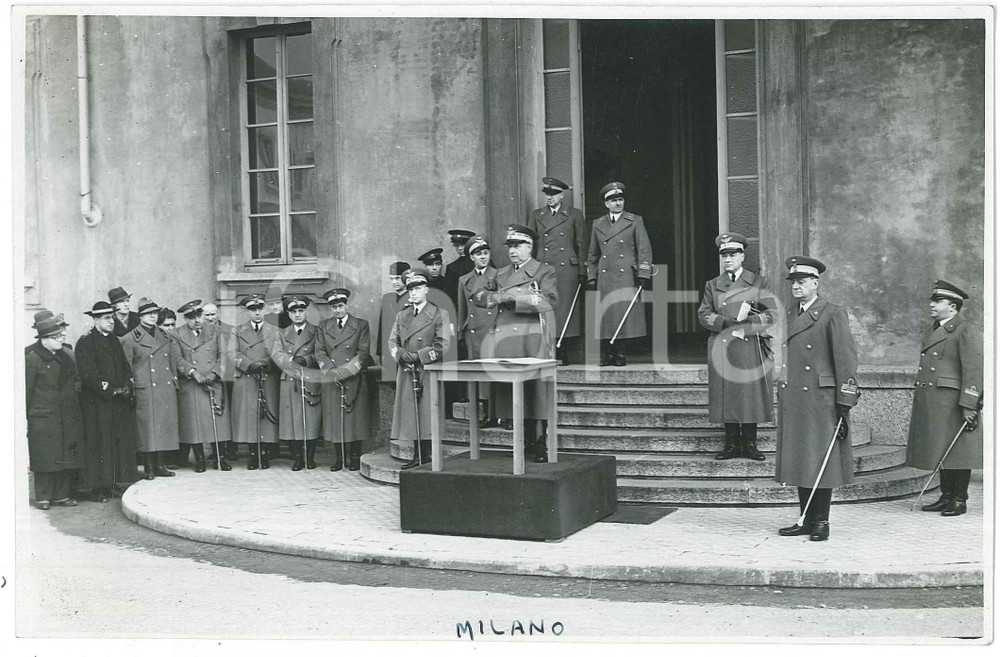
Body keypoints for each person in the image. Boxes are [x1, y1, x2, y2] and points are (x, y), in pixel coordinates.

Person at [774, 256, 859, 542]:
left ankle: (821, 521)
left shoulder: (832, 313)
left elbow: (845, 360)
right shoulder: (789, 313)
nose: (796, 287)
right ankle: (806, 519)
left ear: (815, 283)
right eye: (793, 282)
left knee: (821, 459)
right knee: (801, 459)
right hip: (796, 397)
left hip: (822, 400)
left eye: (801, 282)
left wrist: (844, 402)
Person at [472, 224, 558, 463]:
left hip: (532, 338)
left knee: (537, 392)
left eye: (518, 246)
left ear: (530, 247)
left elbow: (549, 300)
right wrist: (497, 297)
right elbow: (477, 295)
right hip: (506, 339)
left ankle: (541, 443)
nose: (513, 251)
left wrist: (513, 298)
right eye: (510, 246)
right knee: (513, 393)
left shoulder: (543, 271)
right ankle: (523, 441)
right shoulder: (500, 274)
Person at [697, 233, 777, 461]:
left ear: (742, 255)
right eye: (724, 255)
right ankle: (731, 443)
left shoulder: (758, 282)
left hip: (749, 343)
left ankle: (750, 443)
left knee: (748, 392)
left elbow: (772, 313)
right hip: (722, 342)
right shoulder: (713, 284)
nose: (728, 259)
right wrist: (724, 322)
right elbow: (703, 314)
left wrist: (751, 322)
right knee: (727, 393)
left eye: (732, 254)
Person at [905, 280, 983, 517]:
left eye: (938, 301)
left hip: (953, 402)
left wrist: (969, 405)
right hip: (935, 401)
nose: (932, 305)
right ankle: (946, 496)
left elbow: (974, 370)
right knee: (943, 450)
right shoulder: (934, 328)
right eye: (933, 300)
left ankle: (959, 499)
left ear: (953, 307)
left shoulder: (964, 330)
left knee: (958, 451)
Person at [75, 300, 140, 499]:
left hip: (116, 401)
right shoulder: (86, 342)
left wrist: (128, 385)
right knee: (99, 442)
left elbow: (124, 365)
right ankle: (97, 487)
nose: (111, 321)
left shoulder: (113, 340)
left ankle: (112, 482)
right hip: (98, 403)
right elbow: (89, 374)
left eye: (112, 317)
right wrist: (111, 390)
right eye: (106, 318)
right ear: (95, 320)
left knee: (114, 441)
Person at [586, 182, 653, 366]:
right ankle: (608, 353)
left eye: (620, 199)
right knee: (607, 314)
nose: (618, 203)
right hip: (605, 276)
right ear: (606, 204)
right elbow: (593, 253)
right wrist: (592, 276)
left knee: (623, 313)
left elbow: (644, 249)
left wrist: (644, 274)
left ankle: (621, 353)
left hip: (626, 276)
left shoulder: (635, 220)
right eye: (613, 200)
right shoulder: (598, 223)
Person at [389, 268, 450, 469]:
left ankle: (427, 455)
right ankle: (417, 455)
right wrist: (400, 354)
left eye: (418, 288)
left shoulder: (439, 314)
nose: (413, 293)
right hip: (407, 370)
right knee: (412, 414)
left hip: (427, 370)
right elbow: (392, 342)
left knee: (426, 414)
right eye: (410, 289)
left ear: (426, 290)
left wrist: (419, 356)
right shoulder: (402, 315)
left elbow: (442, 345)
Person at [25, 310, 84, 509]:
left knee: (63, 456)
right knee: (44, 458)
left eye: (61, 335)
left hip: (64, 416)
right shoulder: (32, 359)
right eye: (56, 337)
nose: (61, 339)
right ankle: (42, 497)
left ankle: (61, 495)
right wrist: (27, 418)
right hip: (42, 417)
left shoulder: (65, 357)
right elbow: (26, 391)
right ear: (44, 339)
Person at [527, 177, 588, 365]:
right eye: (547, 194)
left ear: (562, 195)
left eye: (554, 194)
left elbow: (581, 243)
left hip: (566, 269)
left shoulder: (574, 215)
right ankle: (549, 349)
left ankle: (564, 350)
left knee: (565, 309)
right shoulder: (537, 215)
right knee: (547, 308)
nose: (550, 198)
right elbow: (531, 242)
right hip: (545, 268)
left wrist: (582, 269)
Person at [119, 298, 180, 480]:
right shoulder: (130, 338)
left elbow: (172, 361)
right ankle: (149, 467)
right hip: (145, 387)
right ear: (140, 316)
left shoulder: (165, 335)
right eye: (148, 313)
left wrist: (174, 381)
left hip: (164, 386)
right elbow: (127, 366)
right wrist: (131, 388)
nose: (153, 316)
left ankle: (160, 464)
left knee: (161, 426)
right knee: (147, 429)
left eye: (155, 313)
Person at [315, 288, 376, 472]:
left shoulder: (361, 324)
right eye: (334, 307)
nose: (338, 310)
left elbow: (364, 351)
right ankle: (339, 457)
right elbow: (319, 351)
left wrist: (348, 371)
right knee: (336, 419)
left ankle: (355, 457)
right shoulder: (324, 326)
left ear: (347, 306)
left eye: (340, 306)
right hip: (333, 377)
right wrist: (330, 369)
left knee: (354, 418)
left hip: (353, 377)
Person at [175, 299, 233, 472]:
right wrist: (193, 373)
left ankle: (220, 458)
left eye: (198, 315)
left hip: (212, 381)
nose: (196, 320)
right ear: (186, 319)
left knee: (218, 421)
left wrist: (214, 372)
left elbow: (224, 354)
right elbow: (177, 358)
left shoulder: (216, 331)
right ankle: (200, 459)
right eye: (191, 317)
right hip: (192, 383)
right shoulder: (177, 334)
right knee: (195, 423)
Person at [271, 295, 322, 471]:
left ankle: (310, 457)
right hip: (290, 381)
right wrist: (292, 359)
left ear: (306, 311)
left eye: (301, 311)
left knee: (310, 420)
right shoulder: (282, 333)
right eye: (294, 312)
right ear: (289, 314)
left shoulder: (316, 331)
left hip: (309, 380)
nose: (298, 315)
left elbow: (321, 353)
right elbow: (276, 354)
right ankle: (298, 458)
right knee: (293, 421)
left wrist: (307, 359)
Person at [230, 294, 280, 470]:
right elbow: (232, 353)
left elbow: (279, 353)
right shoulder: (237, 331)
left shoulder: (274, 331)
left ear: (264, 310)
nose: (257, 313)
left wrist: (266, 363)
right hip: (247, 377)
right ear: (247, 312)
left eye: (259, 309)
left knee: (265, 416)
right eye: (253, 310)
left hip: (267, 377)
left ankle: (265, 454)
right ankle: (253, 455)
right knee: (249, 417)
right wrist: (249, 364)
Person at [457, 235, 501, 427]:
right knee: (479, 372)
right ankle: (484, 412)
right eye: (478, 254)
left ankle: (500, 414)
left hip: (492, 330)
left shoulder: (498, 275)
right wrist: (461, 331)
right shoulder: (464, 280)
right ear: (471, 257)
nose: (483, 257)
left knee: (495, 372)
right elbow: (462, 309)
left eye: (485, 253)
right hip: (473, 332)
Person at [204, 302, 239, 460]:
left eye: (213, 314)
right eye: (207, 315)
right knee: (214, 411)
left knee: (230, 411)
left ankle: (232, 448)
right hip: (211, 376)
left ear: (218, 314)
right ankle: (216, 449)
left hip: (229, 377)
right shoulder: (201, 331)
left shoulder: (230, 330)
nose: (210, 318)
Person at [376, 261, 411, 383]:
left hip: (408, 350)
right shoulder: (387, 298)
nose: (394, 282)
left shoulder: (413, 298)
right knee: (393, 383)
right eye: (392, 279)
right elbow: (383, 327)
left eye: (397, 278)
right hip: (391, 350)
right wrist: (380, 352)